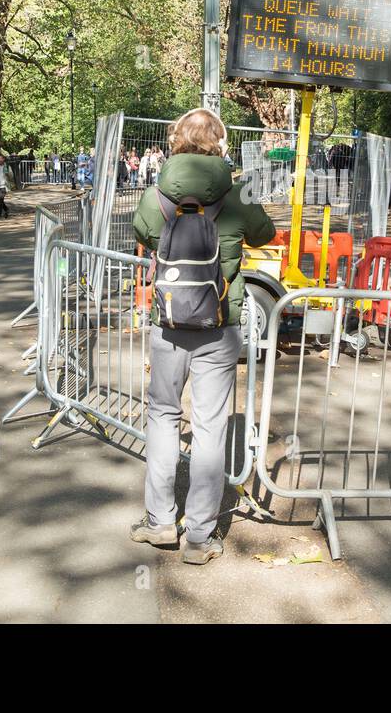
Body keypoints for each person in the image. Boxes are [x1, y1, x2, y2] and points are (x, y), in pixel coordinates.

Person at [130, 108, 275, 565]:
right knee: (212, 426)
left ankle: (158, 523)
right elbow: (265, 234)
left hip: (169, 325)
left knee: (163, 417)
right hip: (219, 325)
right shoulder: (237, 192)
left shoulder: (156, 195)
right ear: (220, 143)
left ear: (175, 141)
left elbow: (142, 233)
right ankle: (199, 537)